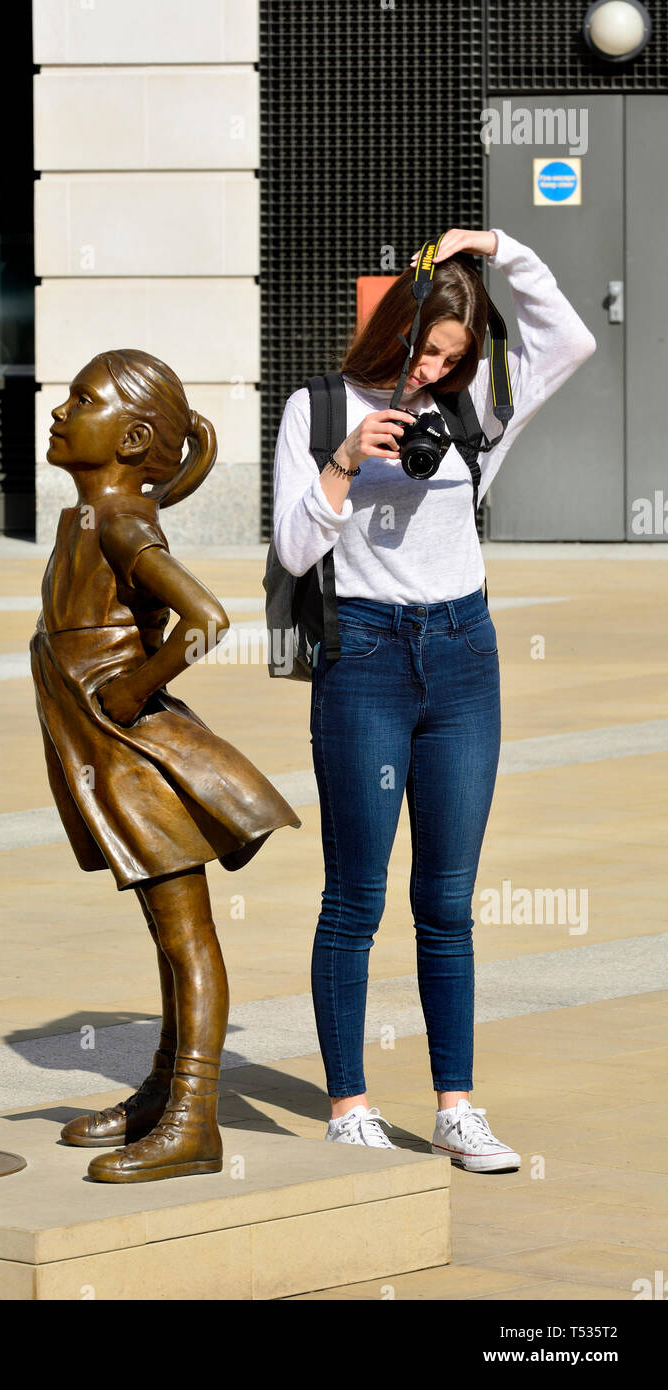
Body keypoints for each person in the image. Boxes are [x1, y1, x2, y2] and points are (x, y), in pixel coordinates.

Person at [272, 227, 597, 1172]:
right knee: (356, 898)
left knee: (448, 901)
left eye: (456, 357)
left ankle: (456, 1105)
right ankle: (350, 1104)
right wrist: (342, 462)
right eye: (427, 349)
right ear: (392, 329)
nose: (437, 368)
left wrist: (496, 246)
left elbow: (570, 339)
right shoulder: (317, 405)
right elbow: (295, 550)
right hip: (364, 659)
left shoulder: (475, 410)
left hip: (463, 657)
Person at [30, 347, 300, 1183]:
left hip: (136, 752)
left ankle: (194, 1118)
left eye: (81, 400)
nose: (58, 410)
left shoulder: (117, 523)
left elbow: (205, 619)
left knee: (186, 937)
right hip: (103, 751)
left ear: (132, 435)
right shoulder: (96, 514)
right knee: (165, 930)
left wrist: (131, 690)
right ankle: (161, 1090)